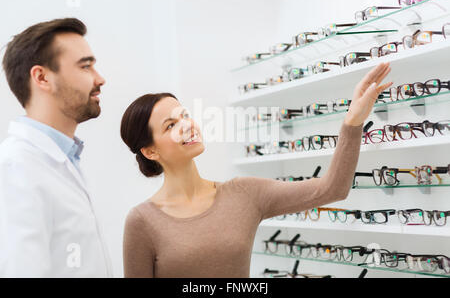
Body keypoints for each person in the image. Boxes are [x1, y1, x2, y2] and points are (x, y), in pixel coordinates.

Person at [120, 63, 393, 278]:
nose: (186, 125)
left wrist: (353, 122)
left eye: (185, 115)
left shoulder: (244, 194)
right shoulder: (142, 221)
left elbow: (332, 188)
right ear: (150, 151)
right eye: (170, 126)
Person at [0, 18, 112, 277]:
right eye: (86, 66)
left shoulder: (64, 159)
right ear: (42, 77)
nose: (100, 79)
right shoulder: (15, 167)